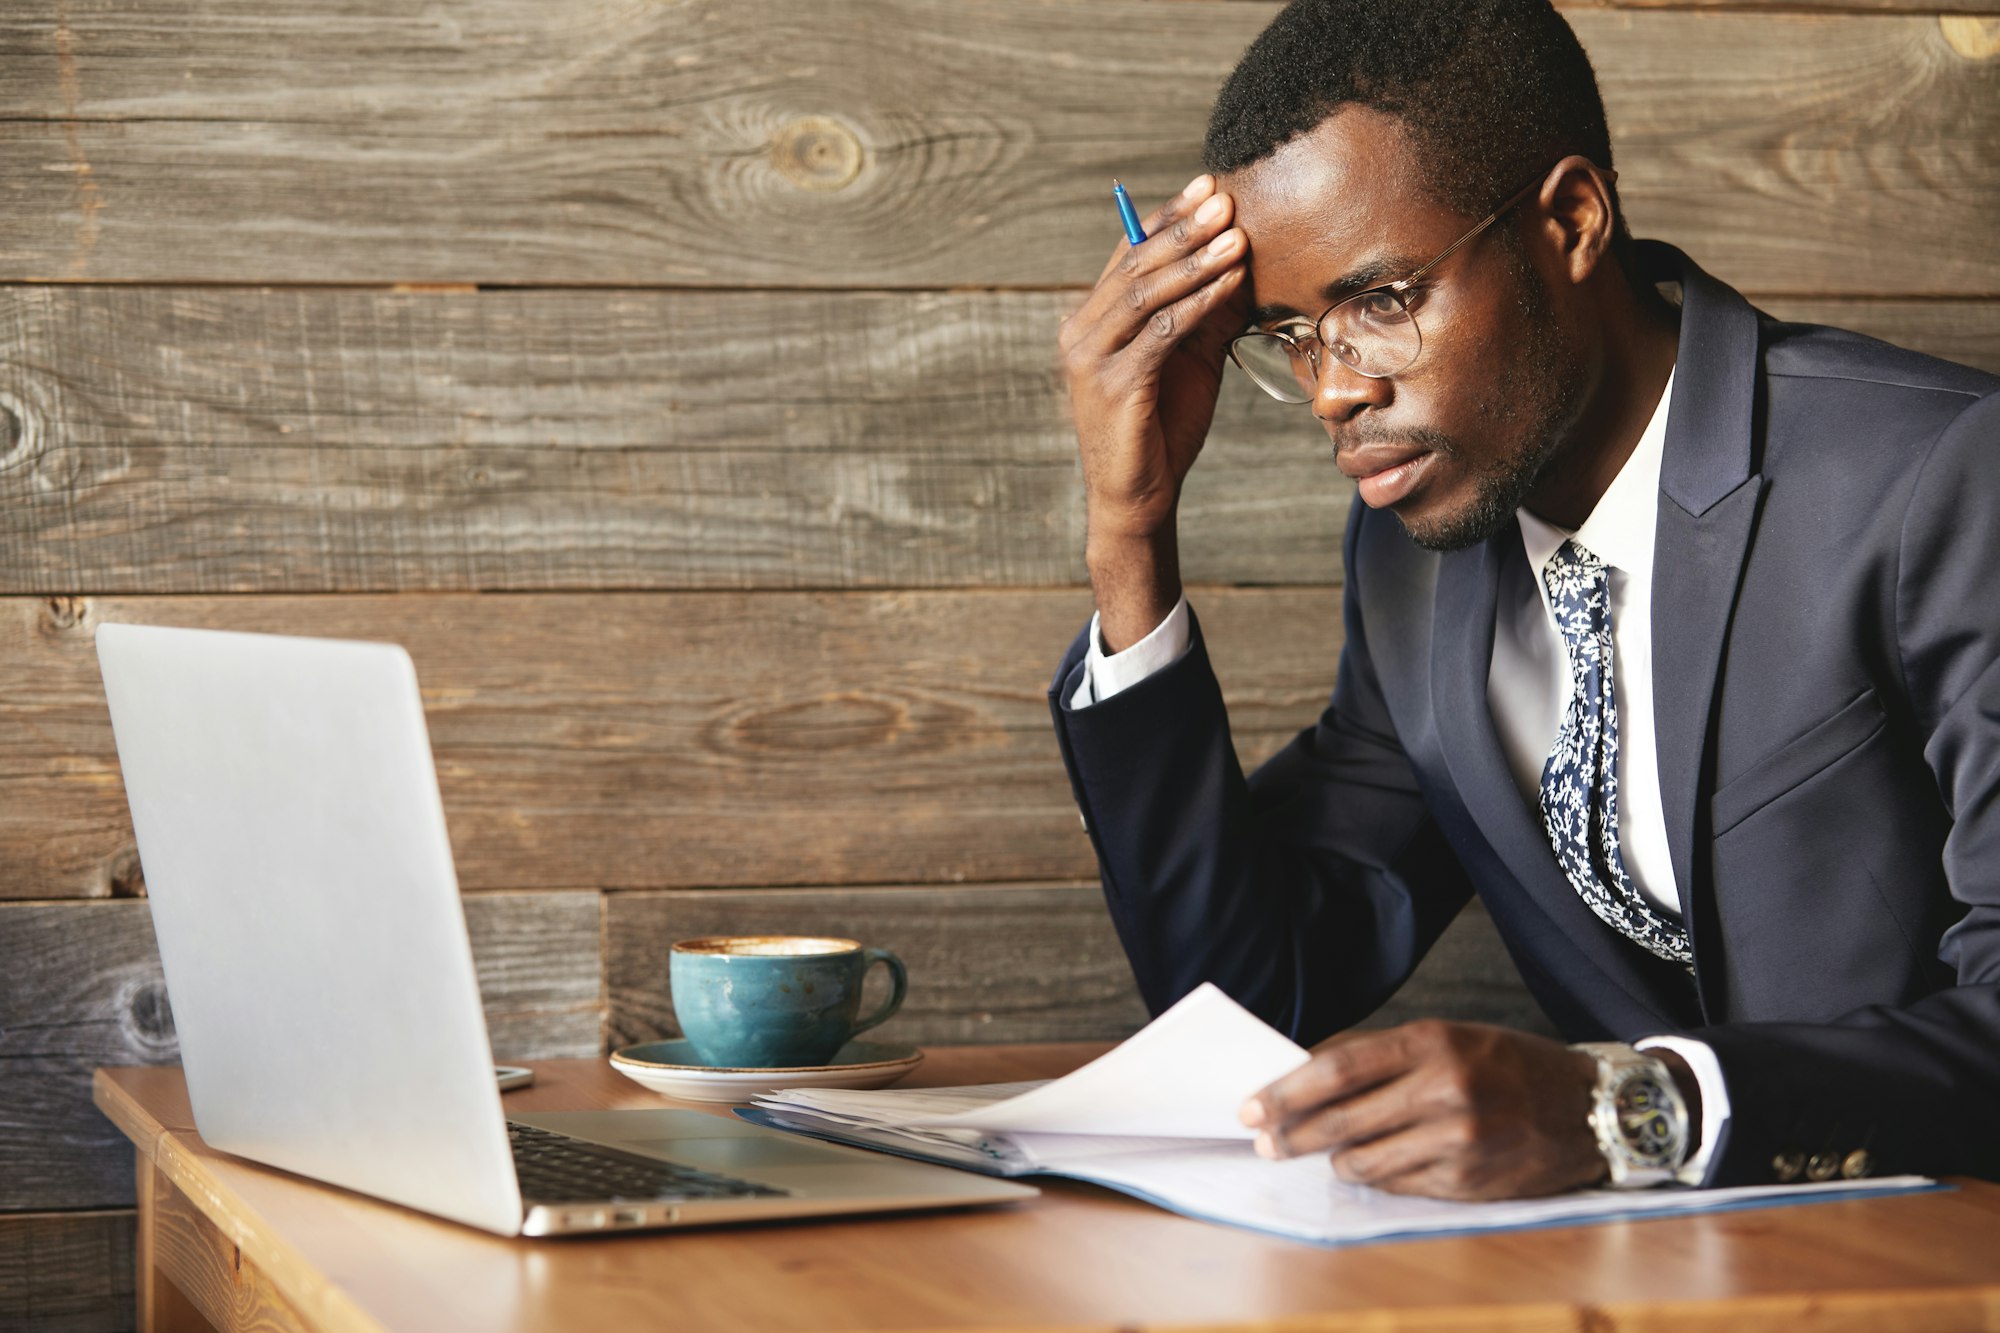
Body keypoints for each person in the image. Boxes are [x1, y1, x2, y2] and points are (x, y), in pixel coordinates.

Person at [1049, 0, 2000, 1200]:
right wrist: (1127, 534)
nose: (1333, 389)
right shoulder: (1412, 562)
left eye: (1380, 302)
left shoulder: (1942, 478)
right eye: (1290, 334)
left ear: (1569, 219)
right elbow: (1248, 990)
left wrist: (1629, 1110)